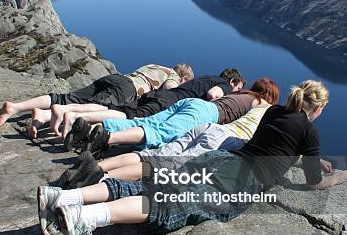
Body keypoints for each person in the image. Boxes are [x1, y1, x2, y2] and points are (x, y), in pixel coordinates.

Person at [37, 80, 347, 235]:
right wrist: (342, 176)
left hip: (220, 159)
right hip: (240, 181)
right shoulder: (309, 133)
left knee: (156, 180)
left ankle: (65, 196)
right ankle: (85, 219)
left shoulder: (274, 111)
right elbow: (315, 183)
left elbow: (275, 144)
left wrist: (299, 157)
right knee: (168, 204)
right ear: (318, 109)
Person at [60, 78, 280, 188]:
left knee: (146, 122)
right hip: (207, 114)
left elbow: (213, 93)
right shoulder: (259, 103)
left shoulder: (241, 93)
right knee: (158, 134)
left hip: (191, 102)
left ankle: (90, 131)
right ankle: (107, 139)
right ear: (268, 95)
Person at [0, 63, 194, 139]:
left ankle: (15, 107)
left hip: (116, 78)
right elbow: (169, 89)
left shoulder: (156, 65)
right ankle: (47, 115)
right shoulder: (174, 77)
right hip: (128, 89)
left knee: (67, 97)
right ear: (184, 78)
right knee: (98, 108)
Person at [62, 68, 246, 149]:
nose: (234, 93)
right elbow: (214, 95)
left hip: (161, 95)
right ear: (233, 81)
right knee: (129, 117)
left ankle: (80, 119)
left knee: (126, 111)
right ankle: (81, 122)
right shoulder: (224, 85)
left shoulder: (208, 77)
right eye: (237, 89)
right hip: (170, 103)